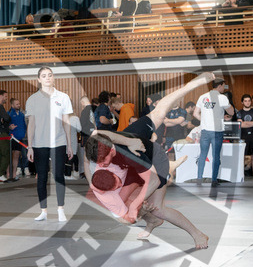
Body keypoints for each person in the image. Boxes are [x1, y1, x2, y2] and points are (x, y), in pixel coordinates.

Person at [83, 73, 213, 249]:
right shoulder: (96, 150)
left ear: (113, 149)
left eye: (105, 162)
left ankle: (198, 234)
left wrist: (193, 84)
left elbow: (153, 180)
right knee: (129, 209)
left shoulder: (131, 153)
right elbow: (94, 137)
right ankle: (151, 221)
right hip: (130, 157)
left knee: (156, 207)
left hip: (154, 160)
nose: (103, 165)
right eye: (100, 164)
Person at [25, 66, 74, 222]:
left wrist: (69, 144)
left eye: (50, 75)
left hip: (59, 142)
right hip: (39, 144)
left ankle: (61, 209)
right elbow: (31, 124)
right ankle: (43, 211)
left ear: (54, 78)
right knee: (42, 178)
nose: (47, 78)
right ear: (39, 80)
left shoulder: (63, 97)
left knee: (59, 176)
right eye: (44, 75)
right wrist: (30, 146)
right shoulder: (32, 99)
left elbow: (66, 123)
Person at [194, 78, 235, 184]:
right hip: (217, 131)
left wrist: (204, 120)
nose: (223, 88)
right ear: (220, 86)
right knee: (216, 156)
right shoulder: (222, 98)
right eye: (223, 86)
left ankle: (199, 178)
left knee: (203, 155)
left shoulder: (202, 97)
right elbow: (231, 112)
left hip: (205, 131)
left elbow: (195, 114)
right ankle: (213, 179)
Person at [236, 94, 253, 179]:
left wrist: (246, 123)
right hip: (243, 137)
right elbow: (240, 125)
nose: (247, 102)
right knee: (242, 156)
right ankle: (241, 174)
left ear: (251, 101)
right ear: (242, 102)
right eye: (245, 101)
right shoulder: (239, 112)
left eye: (249, 101)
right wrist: (252, 123)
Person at [8, 97, 28, 180]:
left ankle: (14, 174)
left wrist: (24, 133)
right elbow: (6, 125)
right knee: (9, 157)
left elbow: (24, 125)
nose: (19, 105)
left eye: (19, 104)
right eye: (17, 104)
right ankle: (8, 174)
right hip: (11, 138)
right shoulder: (8, 114)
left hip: (20, 138)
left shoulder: (21, 114)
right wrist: (9, 127)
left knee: (16, 156)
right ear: (12, 105)